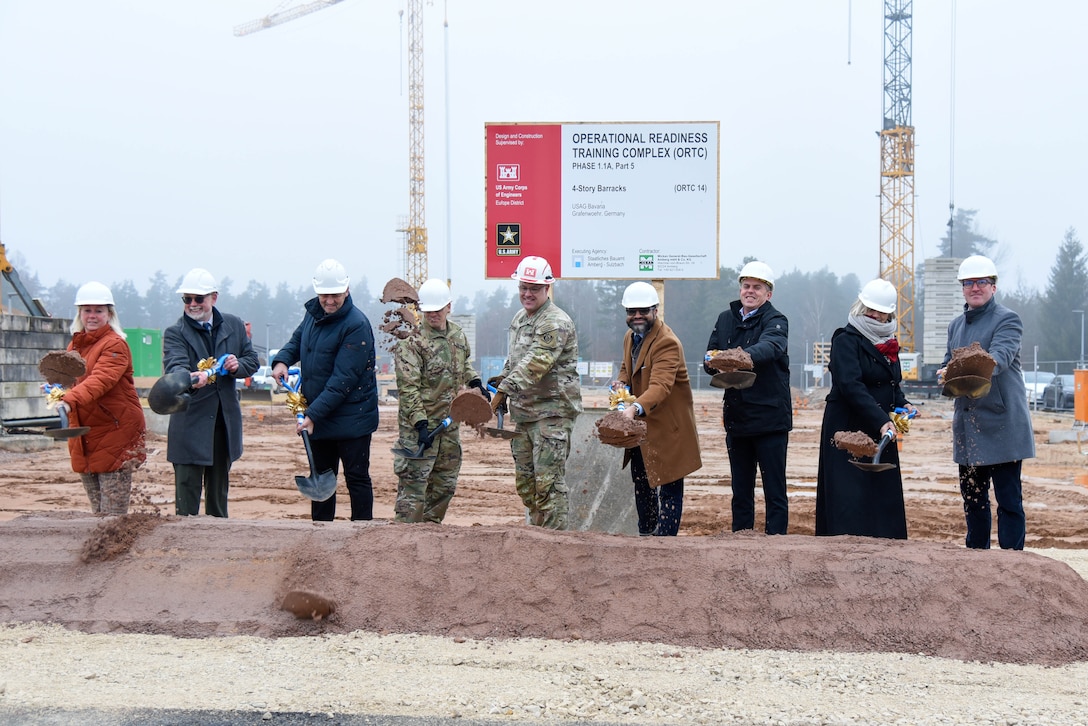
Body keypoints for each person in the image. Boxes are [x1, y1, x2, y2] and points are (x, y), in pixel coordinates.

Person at [936, 255, 1034, 550]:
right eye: (968, 283)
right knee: (973, 499)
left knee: (1008, 500)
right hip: (968, 425)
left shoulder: (1007, 319)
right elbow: (946, 364)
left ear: (993, 286)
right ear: (962, 288)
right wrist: (944, 372)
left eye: (981, 282)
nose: (974, 287)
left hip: (1002, 424)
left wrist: (958, 369)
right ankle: (977, 561)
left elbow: (999, 360)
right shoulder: (955, 326)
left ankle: (1011, 561)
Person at [272, 258, 379, 522]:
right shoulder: (313, 314)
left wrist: (312, 415)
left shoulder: (356, 325)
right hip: (319, 417)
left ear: (347, 290)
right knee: (321, 478)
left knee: (356, 478)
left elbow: (343, 380)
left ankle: (363, 535)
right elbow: (297, 341)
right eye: (324, 295)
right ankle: (320, 535)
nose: (329, 301)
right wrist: (282, 360)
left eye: (335, 295)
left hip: (353, 419)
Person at [815, 278, 920, 539]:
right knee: (848, 496)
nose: (873, 315)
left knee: (881, 495)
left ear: (889, 313)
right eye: (869, 309)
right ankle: (843, 549)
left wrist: (902, 403)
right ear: (860, 306)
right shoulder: (846, 340)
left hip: (880, 429)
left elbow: (891, 382)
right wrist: (881, 420)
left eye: (880, 311)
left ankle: (885, 548)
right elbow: (851, 385)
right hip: (848, 428)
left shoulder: (890, 342)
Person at [489, 255, 582, 530]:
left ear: (547, 289)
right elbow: (516, 359)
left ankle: (555, 546)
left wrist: (504, 390)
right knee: (527, 486)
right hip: (525, 415)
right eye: (523, 287)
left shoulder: (555, 322)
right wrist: (500, 382)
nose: (527, 294)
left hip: (552, 414)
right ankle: (538, 540)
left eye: (534, 288)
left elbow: (536, 363)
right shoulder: (520, 318)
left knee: (549, 484)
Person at [704, 260, 792, 534]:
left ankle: (776, 543)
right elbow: (710, 356)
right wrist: (711, 360)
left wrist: (736, 358)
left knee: (774, 490)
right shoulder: (725, 319)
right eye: (746, 286)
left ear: (769, 293)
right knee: (740, 490)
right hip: (737, 418)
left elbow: (770, 348)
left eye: (757, 287)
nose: (750, 291)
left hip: (770, 420)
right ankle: (741, 542)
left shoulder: (776, 321)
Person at [163, 268, 259, 518]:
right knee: (186, 505)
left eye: (199, 299)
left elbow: (252, 360)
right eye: (187, 299)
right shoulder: (175, 333)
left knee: (218, 500)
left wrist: (238, 366)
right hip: (189, 426)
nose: (193, 304)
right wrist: (192, 378)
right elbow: (175, 366)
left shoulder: (235, 325)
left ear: (213, 298)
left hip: (222, 425)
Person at [393, 278, 489, 523]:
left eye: (438, 309)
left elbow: (464, 364)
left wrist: (475, 382)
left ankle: (431, 534)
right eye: (428, 310)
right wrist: (420, 424)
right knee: (413, 488)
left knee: (445, 484)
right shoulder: (412, 342)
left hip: (449, 425)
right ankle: (405, 538)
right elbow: (408, 389)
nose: (433, 314)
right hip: (419, 430)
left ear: (449, 306)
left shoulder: (457, 335)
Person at [611, 282, 702, 536]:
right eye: (632, 311)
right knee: (642, 483)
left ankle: (666, 544)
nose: (637, 316)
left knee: (669, 489)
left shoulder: (666, 343)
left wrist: (633, 409)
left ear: (655, 310)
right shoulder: (631, 337)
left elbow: (660, 386)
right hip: (642, 429)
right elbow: (626, 368)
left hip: (668, 430)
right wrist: (621, 387)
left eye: (643, 311)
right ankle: (646, 536)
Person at [56, 282, 147, 515]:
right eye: (87, 310)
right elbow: (70, 382)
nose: (92, 316)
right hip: (86, 433)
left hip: (115, 432)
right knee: (97, 512)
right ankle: (100, 551)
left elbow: (100, 381)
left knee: (112, 516)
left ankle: (116, 551)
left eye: (99, 310)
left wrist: (69, 399)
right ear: (80, 313)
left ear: (109, 314)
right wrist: (54, 388)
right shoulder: (75, 346)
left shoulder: (115, 345)